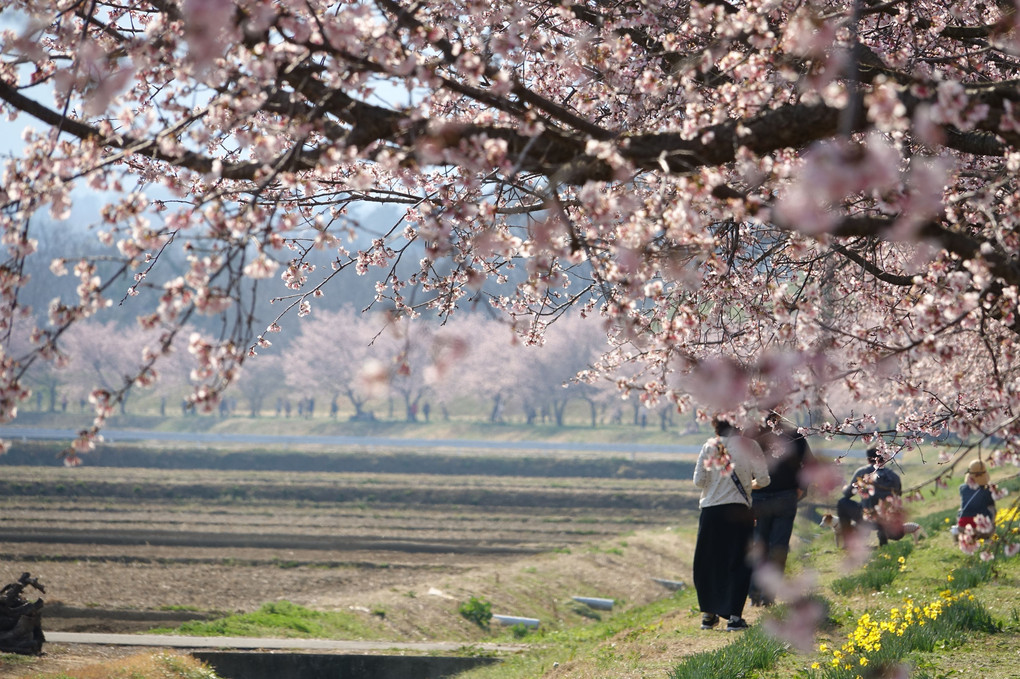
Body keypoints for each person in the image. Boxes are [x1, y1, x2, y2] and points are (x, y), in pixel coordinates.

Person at [693, 417, 770, 632]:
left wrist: (716, 483)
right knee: (738, 562)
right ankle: (735, 618)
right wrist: (748, 485)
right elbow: (764, 480)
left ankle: (708, 615)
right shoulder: (750, 446)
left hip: (711, 511)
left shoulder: (709, 446)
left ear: (716, 427)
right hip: (739, 511)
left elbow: (698, 481)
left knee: (708, 561)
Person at [748, 412, 815, 607]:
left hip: (758, 496)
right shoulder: (795, 434)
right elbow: (810, 465)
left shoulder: (752, 437)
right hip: (787, 495)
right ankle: (769, 595)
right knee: (778, 547)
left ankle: (755, 593)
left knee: (759, 546)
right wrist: (802, 489)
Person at [836, 448, 903, 546]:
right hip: (888, 518)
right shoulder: (894, 476)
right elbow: (899, 496)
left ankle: (848, 542)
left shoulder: (863, 472)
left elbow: (847, 494)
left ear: (868, 459)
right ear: (885, 458)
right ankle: (883, 537)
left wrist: (844, 486)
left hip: (868, 517)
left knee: (842, 503)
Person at [957, 459, 996, 539]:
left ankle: (964, 536)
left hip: (964, 528)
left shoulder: (962, 488)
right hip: (983, 529)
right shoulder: (988, 490)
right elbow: (991, 506)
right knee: (992, 509)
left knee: (961, 508)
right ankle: (988, 534)